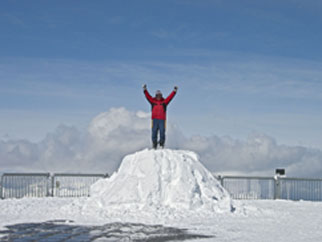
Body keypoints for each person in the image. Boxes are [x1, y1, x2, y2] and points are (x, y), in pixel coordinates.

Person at [143, 84, 178, 149]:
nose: (158, 96)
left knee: (162, 132)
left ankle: (161, 143)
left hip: (162, 120)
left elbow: (170, 97)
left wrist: (174, 91)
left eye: (160, 95)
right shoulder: (153, 101)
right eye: (157, 95)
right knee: (154, 132)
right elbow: (148, 96)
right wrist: (145, 90)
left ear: (161, 96)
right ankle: (154, 144)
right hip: (154, 120)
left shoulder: (164, 102)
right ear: (155, 96)